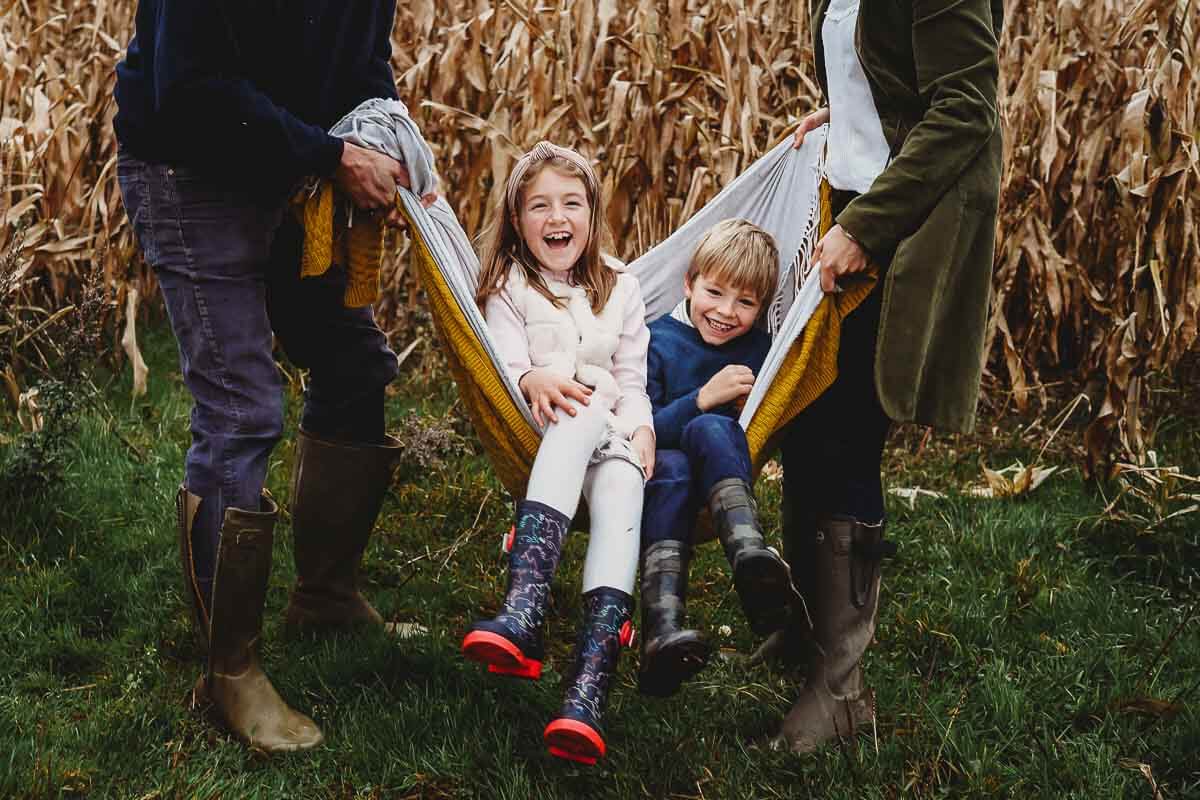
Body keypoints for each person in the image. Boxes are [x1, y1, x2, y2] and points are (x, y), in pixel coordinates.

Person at [113, 1, 433, 752]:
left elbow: (362, 64)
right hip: (189, 166)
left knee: (355, 362)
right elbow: (190, 95)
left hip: (294, 163)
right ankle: (229, 671)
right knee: (242, 410)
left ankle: (325, 596)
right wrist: (330, 158)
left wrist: (388, 137)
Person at [765, 0, 1004, 753]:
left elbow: (966, 109)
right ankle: (806, 632)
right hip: (844, 196)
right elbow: (891, 76)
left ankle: (840, 688)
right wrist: (838, 117)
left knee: (845, 431)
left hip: (902, 217)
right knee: (804, 417)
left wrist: (866, 228)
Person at [461, 141, 655, 765]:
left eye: (571, 203)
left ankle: (586, 692)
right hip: (547, 430)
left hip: (611, 437)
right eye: (539, 206)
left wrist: (643, 427)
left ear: (594, 215)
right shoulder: (509, 287)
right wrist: (528, 380)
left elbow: (631, 377)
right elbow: (506, 361)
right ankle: (525, 609)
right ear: (517, 221)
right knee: (576, 414)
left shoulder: (622, 285)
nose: (556, 218)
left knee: (625, 487)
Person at [636, 218, 796, 697]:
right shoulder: (654, 341)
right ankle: (661, 629)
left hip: (720, 471)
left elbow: (771, 412)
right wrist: (704, 397)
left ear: (763, 308)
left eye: (746, 302)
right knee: (681, 457)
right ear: (688, 283)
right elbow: (644, 426)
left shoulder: (760, 349)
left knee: (712, 430)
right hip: (658, 475)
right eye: (715, 292)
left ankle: (750, 559)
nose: (726, 312)